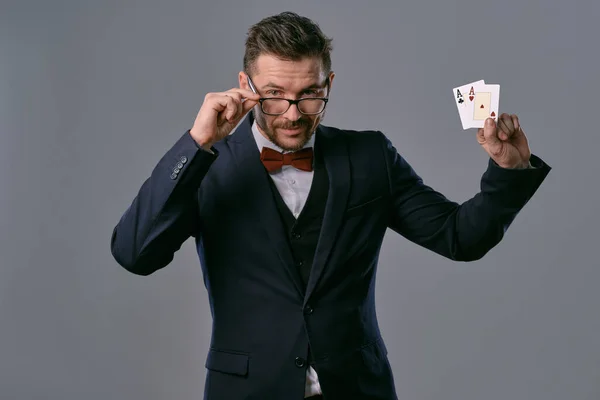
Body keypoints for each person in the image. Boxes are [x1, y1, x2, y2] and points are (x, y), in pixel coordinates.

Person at [110, 11, 551, 400]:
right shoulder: (206, 166)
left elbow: (460, 237)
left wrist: (508, 171)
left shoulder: (371, 156)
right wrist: (196, 144)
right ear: (245, 86)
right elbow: (133, 254)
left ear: (329, 84)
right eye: (274, 94)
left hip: (359, 388)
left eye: (310, 93)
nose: (293, 113)